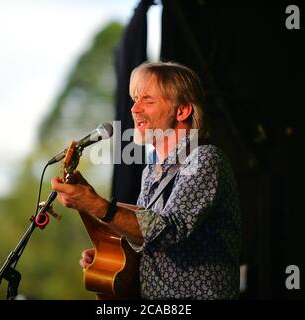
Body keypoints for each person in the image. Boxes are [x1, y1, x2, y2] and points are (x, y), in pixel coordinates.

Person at [51, 61, 242, 300]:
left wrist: (95, 204)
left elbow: (166, 231)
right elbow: (144, 232)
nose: (134, 109)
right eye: (134, 99)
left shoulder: (204, 159)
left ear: (182, 111)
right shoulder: (151, 169)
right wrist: (111, 254)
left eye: (147, 100)